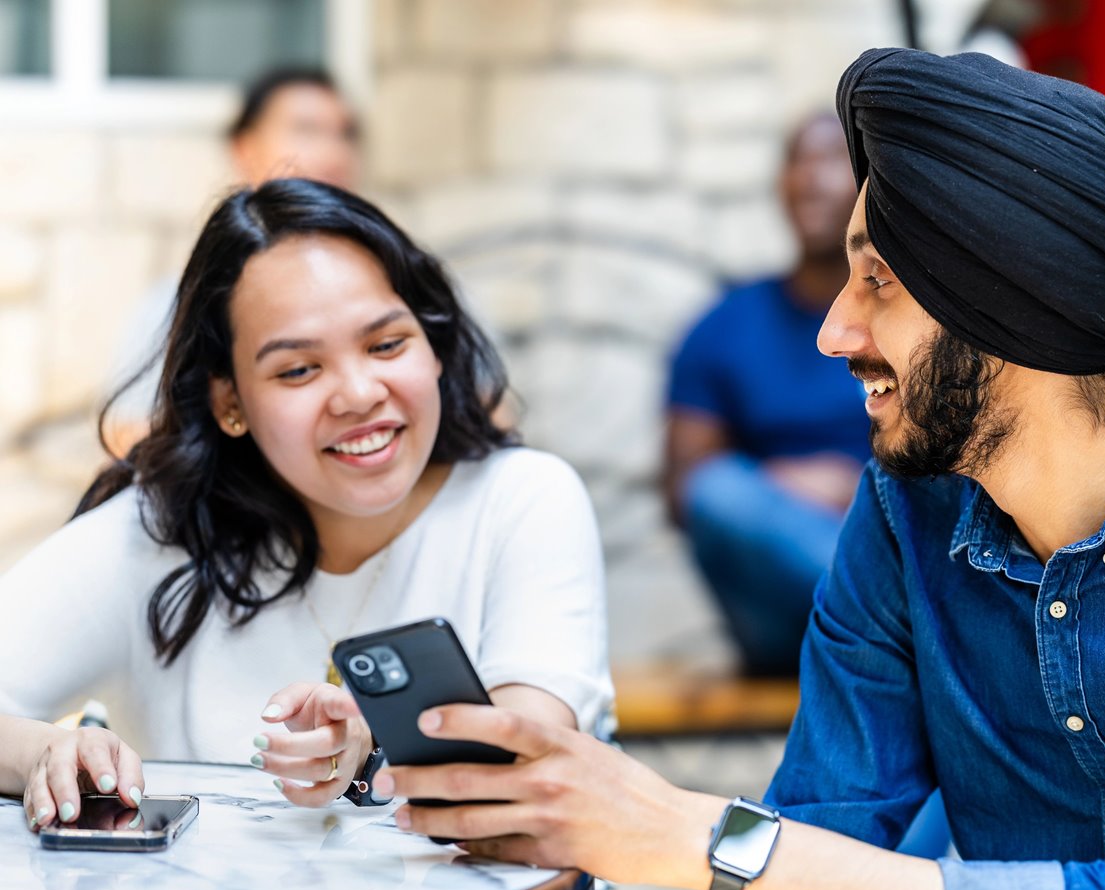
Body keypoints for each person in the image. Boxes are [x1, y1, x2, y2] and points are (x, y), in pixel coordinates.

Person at [361, 49, 1105, 890]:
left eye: (879, 284)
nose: (833, 334)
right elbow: (811, 843)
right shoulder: (905, 521)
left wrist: (686, 833)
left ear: (1015, 300)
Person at [1, 179, 611, 829]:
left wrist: (375, 738)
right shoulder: (157, 532)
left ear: (434, 344)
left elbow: (530, 759)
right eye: (298, 369)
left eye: (386, 344)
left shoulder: (524, 502)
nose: (356, 393)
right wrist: (43, 751)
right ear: (229, 402)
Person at [665, 112, 867, 676]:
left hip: (879, 534)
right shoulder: (723, 327)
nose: (811, 179)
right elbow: (688, 495)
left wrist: (853, 488)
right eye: (798, 161)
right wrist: (779, 490)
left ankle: (885, 611)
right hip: (777, 613)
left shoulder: (910, 322)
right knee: (721, 491)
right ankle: (894, 617)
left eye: (832, 160)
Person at [105, 67, 361, 453]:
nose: (333, 152)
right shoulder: (177, 305)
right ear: (245, 148)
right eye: (307, 130)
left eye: (344, 134)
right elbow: (127, 435)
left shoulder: (404, 280)